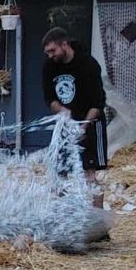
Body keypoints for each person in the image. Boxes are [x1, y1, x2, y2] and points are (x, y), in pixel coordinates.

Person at [43, 27, 107, 209]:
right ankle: (61, 215)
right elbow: (49, 98)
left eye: (52, 51)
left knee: (90, 174)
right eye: (47, 52)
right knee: (59, 172)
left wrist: (82, 127)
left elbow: (98, 103)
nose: (50, 55)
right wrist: (63, 112)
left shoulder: (88, 64)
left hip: (91, 122)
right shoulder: (49, 66)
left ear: (64, 45)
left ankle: (97, 219)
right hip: (65, 122)